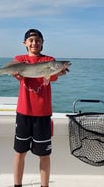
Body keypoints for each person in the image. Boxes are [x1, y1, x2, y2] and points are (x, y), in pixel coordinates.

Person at [12, 29, 68, 187]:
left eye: (38, 40)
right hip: (23, 112)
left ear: (42, 43)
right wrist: (13, 72)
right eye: (31, 40)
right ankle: (17, 185)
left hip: (43, 113)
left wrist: (60, 70)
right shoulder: (20, 59)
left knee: (44, 154)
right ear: (25, 43)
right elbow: (13, 68)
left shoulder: (49, 60)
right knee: (20, 152)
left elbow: (54, 75)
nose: (34, 43)